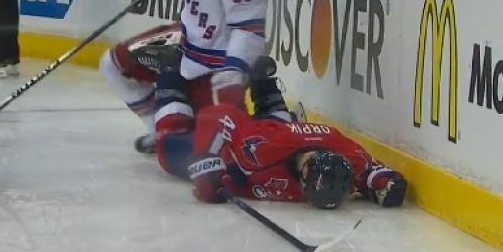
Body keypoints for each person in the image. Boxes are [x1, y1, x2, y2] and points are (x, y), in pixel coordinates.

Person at [138, 47, 407, 208]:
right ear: (305, 175)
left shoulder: (344, 154)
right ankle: (170, 70)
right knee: (167, 147)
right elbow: (218, 117)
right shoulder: (257, 150)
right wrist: (207, 163)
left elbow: (371, 171)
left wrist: (386, 184)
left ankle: (262, 81)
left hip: (278, 132)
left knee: (280, 123)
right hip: (238, 144)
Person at [99, 0, 271, 154]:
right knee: (113, 64)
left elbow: (249, 29)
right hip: (184, 45)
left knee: (215, 152)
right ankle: (158, 131)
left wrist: (232, 73)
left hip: (211, 69)